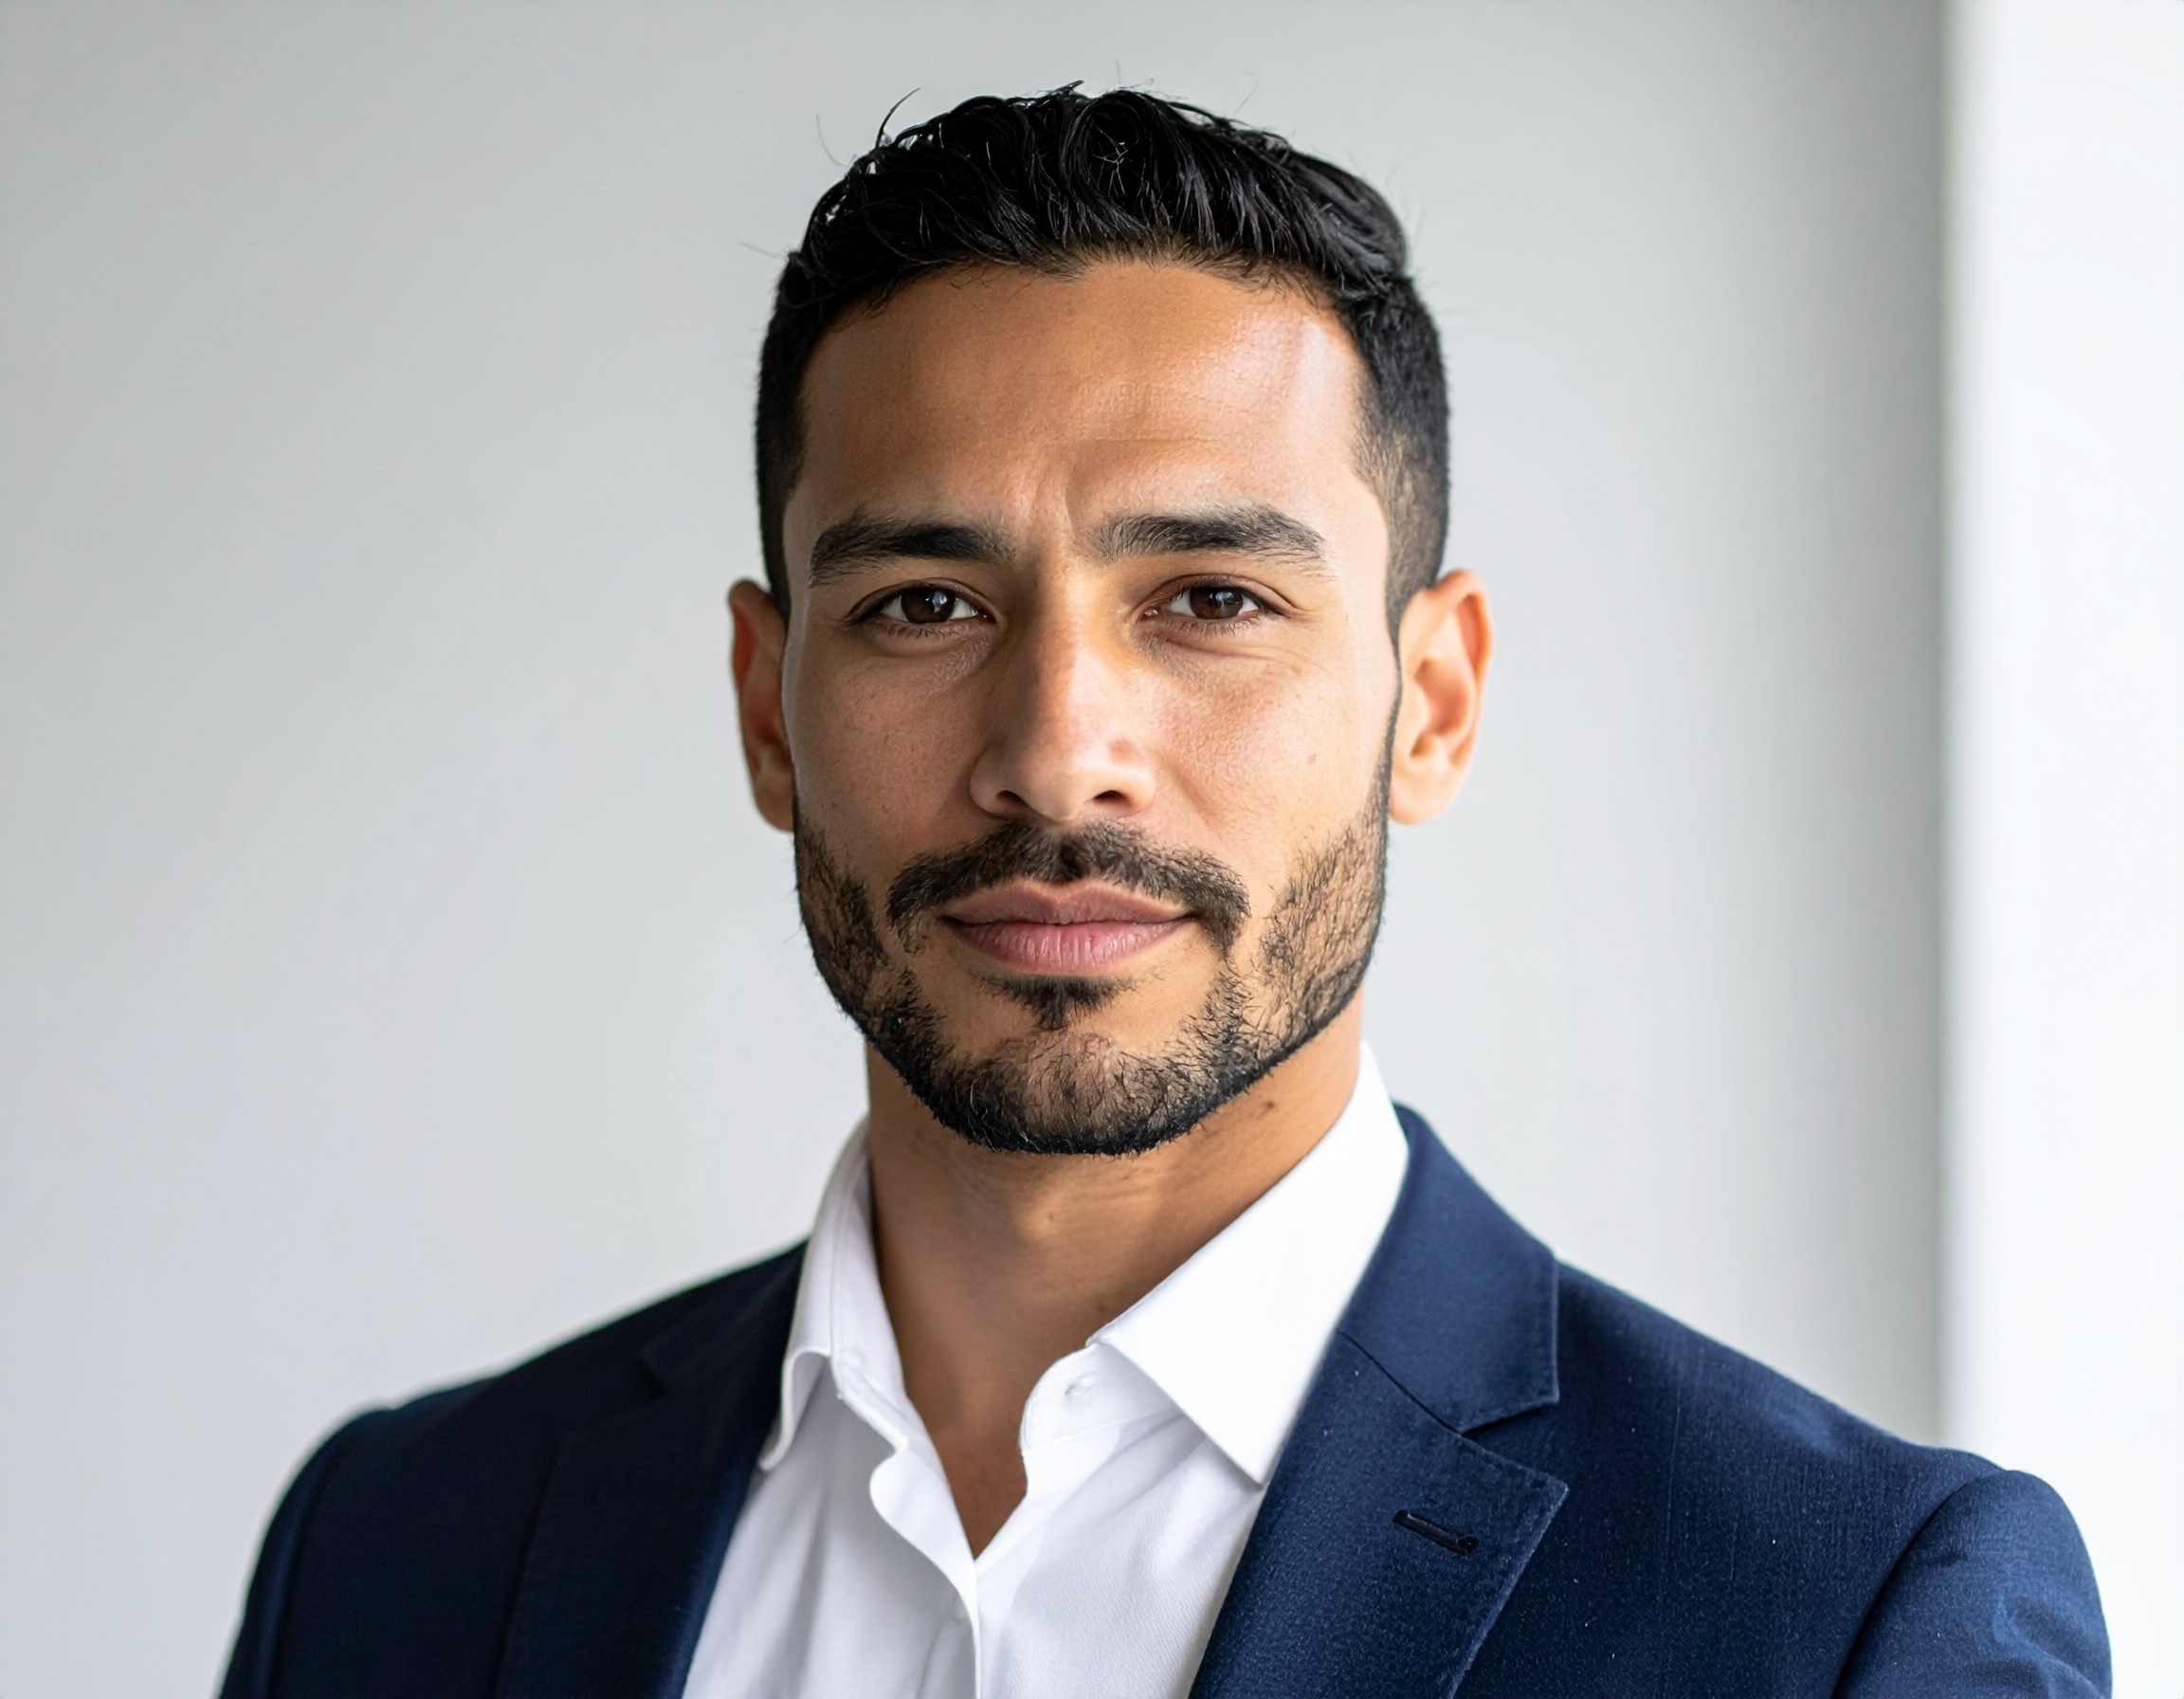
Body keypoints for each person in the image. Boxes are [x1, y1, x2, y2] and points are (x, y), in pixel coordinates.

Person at [219, 87, 2107, 1699]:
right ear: (766, 707)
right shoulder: (398, 1552)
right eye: (923, 605)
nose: (1057, 748)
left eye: (1210, 598)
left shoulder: (1844, 1613)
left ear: (1429, 703)